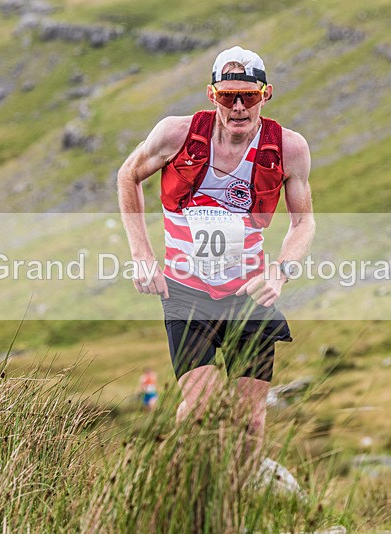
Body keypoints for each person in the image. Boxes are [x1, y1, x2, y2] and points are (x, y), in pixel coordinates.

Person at [117, 46, 314, 467]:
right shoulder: (176, 135)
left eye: (249, 96)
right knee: (203, 410)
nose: (238, 106)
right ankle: (175, 479)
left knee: (250, 422)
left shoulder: (288, 148)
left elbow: (304, 223)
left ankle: (238, 495)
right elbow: (128, 175)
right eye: (228, 96)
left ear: (266, 94)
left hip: (248, 296)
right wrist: (141, 255)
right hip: (186, 293)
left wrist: (279, 273)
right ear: (212, 95)